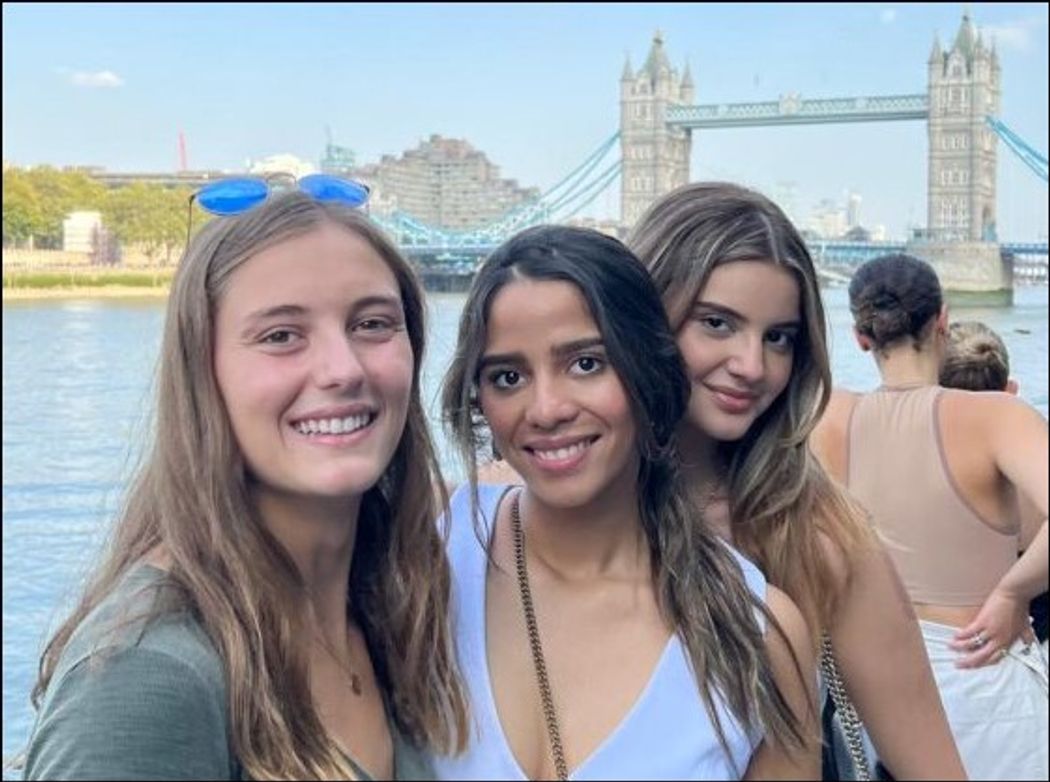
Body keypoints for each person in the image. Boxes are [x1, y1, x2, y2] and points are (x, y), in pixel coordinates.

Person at [22, 184, 468, 780]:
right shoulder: (148, 675)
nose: (344, 368)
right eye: (281, 335)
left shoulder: (394, 608)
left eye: (372, 324)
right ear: (203, 376)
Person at [435, 225, 818, 780]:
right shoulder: (426, 562)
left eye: (586, 363)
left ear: (649, 371)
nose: (545, 409)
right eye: (508, 376)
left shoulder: (757, 633)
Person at [627, 182, 965, 779]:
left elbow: (933, 769)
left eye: (778, 337)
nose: (752, 366)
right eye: (716, 323)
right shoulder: (511, 512)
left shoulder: (819, 535)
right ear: (645, 318)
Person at [812, 253, 1048, 780]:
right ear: (942, 320)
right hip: (983, 679)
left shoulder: (825, 416)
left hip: (876, 691)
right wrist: (1015, 591)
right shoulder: (996, 417)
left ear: (860, 337)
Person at [939, 321, 1048, 645]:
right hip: (1036, 624)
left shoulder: (921, 456)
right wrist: (1013, 592)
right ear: (1011, 391)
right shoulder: (1034, 447)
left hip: (954, 634)